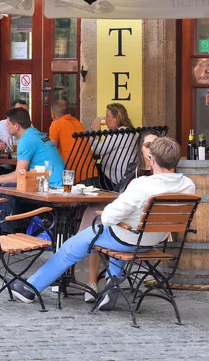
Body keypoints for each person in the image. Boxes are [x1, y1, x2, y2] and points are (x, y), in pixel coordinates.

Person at [9, 137, 196, 310]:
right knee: (118, 237)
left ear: (152, 160)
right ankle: (111, 285)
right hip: (152, 242)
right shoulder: (188, 185)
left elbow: (108, 218)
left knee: (70, 247)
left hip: (128, 238)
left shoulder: (142, 185)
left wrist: (106, 213)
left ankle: (30, 288)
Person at [78, 128, 161, 302]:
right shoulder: (133, 168)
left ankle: (105, 282)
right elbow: (120, 194)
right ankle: (94, 282)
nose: (152, 149)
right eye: (148, 145)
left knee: (98, 228)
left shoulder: (162, 174)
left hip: (137, 227)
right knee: (94, 216)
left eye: (156, 145)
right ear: (140, 148)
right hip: (126, 218)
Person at [0, 107, 65, 246]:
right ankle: (17, 228)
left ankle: (5, 236)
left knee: (6, 188)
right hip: (54, 183)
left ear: (16, 126)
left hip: (50, 187)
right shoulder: (37, 134)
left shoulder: (26, 140)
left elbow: (18, 176)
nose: (6, 126)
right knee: (10, 186)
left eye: (8, 123)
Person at [48, 99, 86, 163]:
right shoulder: (78, 122)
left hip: (70, 170)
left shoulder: (56, 123)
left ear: (53, 114)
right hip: (89, 170)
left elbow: (52, 148)